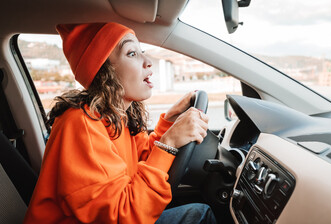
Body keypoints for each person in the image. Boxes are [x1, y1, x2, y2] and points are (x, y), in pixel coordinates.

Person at [24, 22, 217, 223]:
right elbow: (120, 216)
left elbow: (145, 161)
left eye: (141, 51)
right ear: (104, 72)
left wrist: (168, 124)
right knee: (200, 216)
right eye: (132, 53)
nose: (148, 61)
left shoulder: (118, 117)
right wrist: (168, 143)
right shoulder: (81, 124)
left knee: (197, 213)